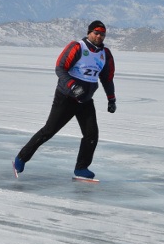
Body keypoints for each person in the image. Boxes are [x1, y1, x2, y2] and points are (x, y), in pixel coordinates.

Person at [13, 20, 117, 180]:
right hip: (66, 98)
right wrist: (73, 86)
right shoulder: (77, 47)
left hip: (85, 101)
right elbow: (60, 68)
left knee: (92, 135)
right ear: (89, 32)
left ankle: (81, 168)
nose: (99, 36)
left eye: (102, 34)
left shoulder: (105, 54)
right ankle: (20, 158)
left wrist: (111, 99)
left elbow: (107, 78)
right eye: (96, 33)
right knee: (48, 131)